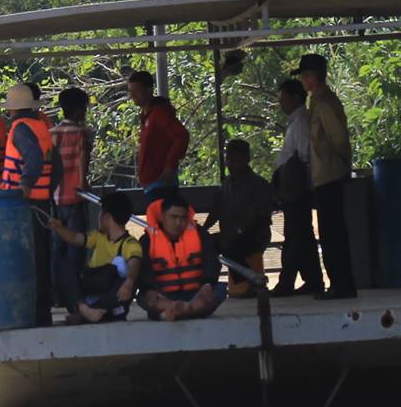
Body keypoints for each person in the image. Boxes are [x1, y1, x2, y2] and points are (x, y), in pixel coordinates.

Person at [297, 53, 357, 299]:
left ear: (312, 77)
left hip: (330, 175)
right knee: (329, 232)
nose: (302, 80)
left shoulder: (324, 104)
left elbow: (339, 138)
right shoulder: (317, 102)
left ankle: (342, 284)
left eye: (304, 75)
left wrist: (342, 165)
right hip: (323, 176)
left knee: (333, 234)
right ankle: (339, 284)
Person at [0, 81, 54, 326]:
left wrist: (26, 185)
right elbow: (56, 166)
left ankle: (31, 314)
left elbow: (34, 159)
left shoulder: (21, 129)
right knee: (39, 260)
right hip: (41, 203)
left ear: (14, 109)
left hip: (25, 205)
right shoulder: (41, 126)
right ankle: (42, 313)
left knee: (26, 261)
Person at [45, 191, 142, 323]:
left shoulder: (129, 243)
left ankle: (87, 312)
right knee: (64, 264)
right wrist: (58, 227)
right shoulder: (98, 237)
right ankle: (85, 310)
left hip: (110, 298)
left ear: (108, 217)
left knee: (125, 270)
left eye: (100, 213)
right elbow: (74, 238)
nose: (98, 217)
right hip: (91, 291)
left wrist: (129, 281)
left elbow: (134, 261)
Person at [271, 75, 322, 296]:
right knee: (304, 236)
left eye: (283, 97)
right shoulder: (296, 121)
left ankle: (287, 281)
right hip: (294, 186)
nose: (281, 102)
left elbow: (303, 156)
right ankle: (313, 280)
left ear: (295, 97)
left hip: (297, 187)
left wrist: (299, 185)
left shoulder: (300, 122)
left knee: (294, 235)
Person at [141, 191, 226, 321]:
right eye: (173, 217)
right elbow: (143, 269)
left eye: (182, 218)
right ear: (163, 216)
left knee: (220, 290)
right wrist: (149, 288)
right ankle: (189, 310)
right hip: (164, 296)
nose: (178, 222)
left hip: (196, 294)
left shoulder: (200, 234)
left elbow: (212, 259)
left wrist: (207, 284)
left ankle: (172, 313)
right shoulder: (147, 240)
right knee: (143, 297)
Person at [206, 138, 275, 296]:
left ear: (247, 159)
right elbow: (216, 210)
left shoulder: (258, 185)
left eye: (236, 159)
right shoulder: (226, 185)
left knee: (234, 245)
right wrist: (202, 230)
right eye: (228, 159)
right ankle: (209, 286)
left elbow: (260, 218)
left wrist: (237, 233)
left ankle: (250, 282)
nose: (231, 163)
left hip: (253, 236)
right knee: (207, 245)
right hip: (230, 235)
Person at [48, 87, 94, 310]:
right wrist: (84, 183)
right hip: (75, 197)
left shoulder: (52, 133)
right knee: (76, 245)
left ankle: (57, 292)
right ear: (78, 110)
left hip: (54, 199)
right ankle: (73, 291)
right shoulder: (81, 133)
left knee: (57, 247)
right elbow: (82, 161)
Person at [127, 69, 189, 199]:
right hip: (152, 182)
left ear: (149, 90)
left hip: (160, 182)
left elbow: (181, 136)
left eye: (136, 91)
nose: (133, 96)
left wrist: (169, 166)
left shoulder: (159, 113)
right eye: (131, 92)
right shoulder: (147, 115)